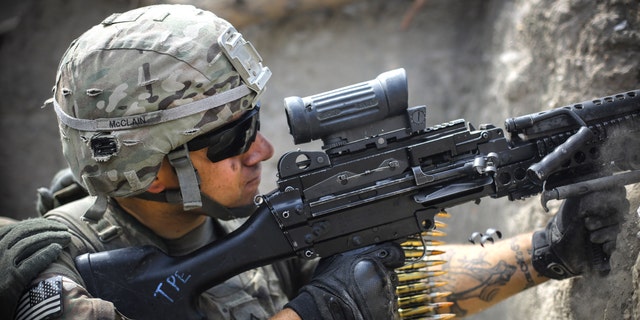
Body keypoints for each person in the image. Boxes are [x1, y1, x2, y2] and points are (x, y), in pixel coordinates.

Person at [0, 4, 628, 320]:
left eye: (255, 123)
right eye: (230, 138)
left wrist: (547, 252)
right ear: (148, 167)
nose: (263, 149)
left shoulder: (240, 233)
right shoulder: (44, 268)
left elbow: (399, 288)